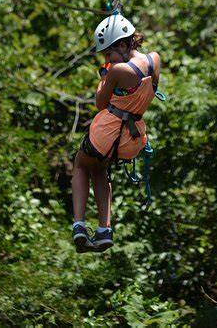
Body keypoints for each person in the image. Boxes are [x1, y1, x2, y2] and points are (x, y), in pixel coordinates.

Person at [71, 14, 160, 253]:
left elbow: (101, 101)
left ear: (122, 45)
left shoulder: (117, 70)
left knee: (81, 164)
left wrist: (104, 75)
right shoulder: (154, 60)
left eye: (108, 53)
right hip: (131, 138)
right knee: (99, 169)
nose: (107, 59)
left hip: (107, 131)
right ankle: (104, 230)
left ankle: (79, 225)